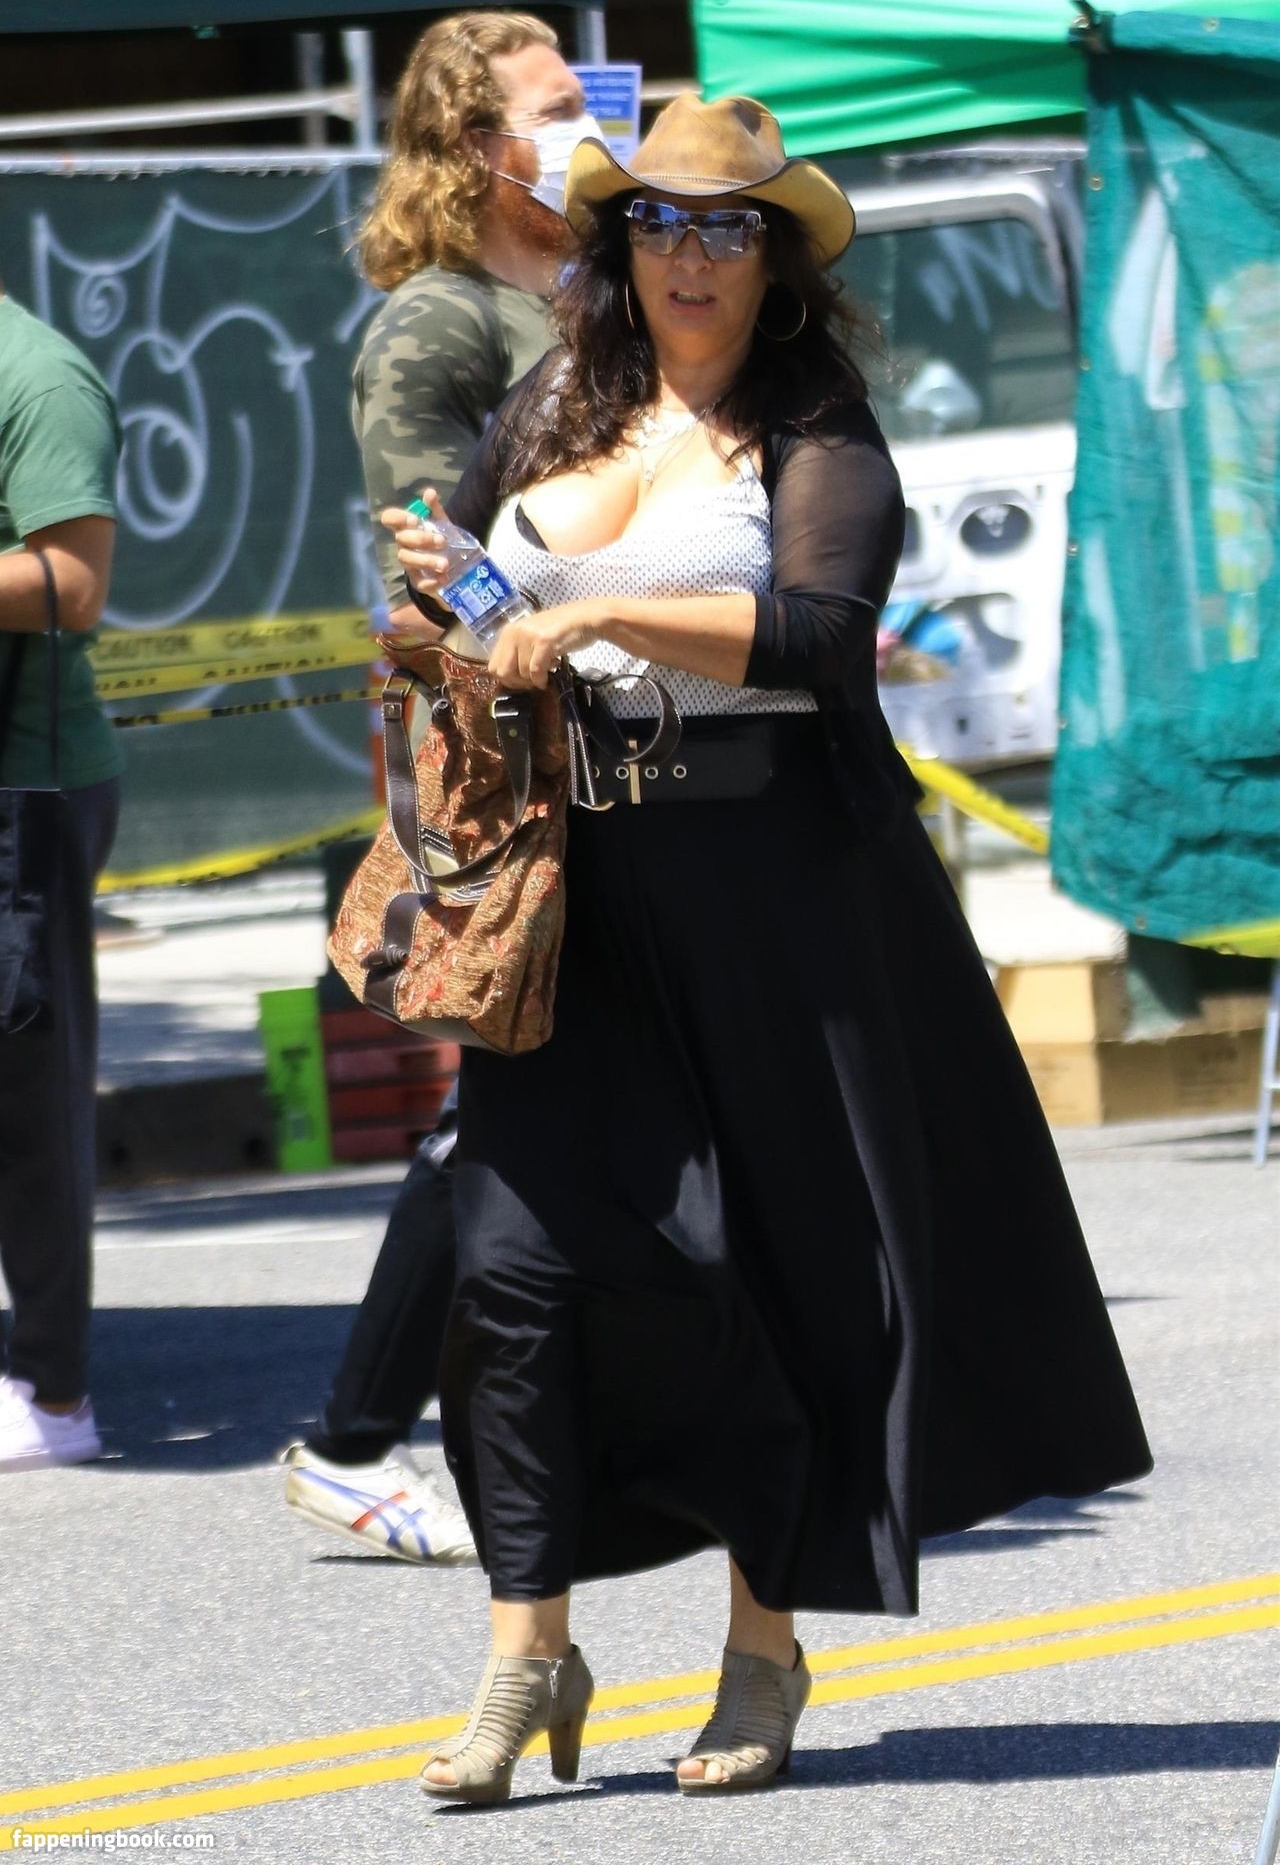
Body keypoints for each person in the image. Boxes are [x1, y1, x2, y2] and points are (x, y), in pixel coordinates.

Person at [384, 93, 1153, 1803]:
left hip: (779, 888)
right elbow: (454, 600)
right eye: (660, 223)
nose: (691, 256)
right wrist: (438, 602)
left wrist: (598, 608)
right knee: (510, 1269)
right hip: (570, 889)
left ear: (777, 256)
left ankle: (762, 1649)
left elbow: (818, 629)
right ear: (618, 247)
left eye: (727, 227)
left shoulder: (814, 421)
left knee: (774, 1275)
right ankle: (529, 1649)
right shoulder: (553, 399)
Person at [281, 10, 599, 1564]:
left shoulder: (593, 294)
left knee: (570, 1085)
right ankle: (354, 1438)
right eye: (562, 105)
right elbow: (428, 559)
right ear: (479, 144)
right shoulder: (436, 325)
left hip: (622, 740)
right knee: (504, 1092)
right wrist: (572, 645)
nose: (597, 124)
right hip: (509, 754)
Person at [0, 289, 124, 1471]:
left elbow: (73, 581)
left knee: (29, 1096)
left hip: (24, 788)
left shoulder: (36, 378)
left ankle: (53, 1394)